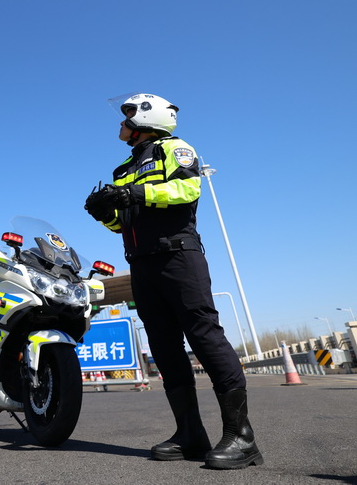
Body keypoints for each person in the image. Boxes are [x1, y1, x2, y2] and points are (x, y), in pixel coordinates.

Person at [84, 93, 262, 470]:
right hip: (141, 264)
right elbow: (124, 223)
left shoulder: (176, 149)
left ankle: (242, 438)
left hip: (179, 255)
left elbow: (186, 190)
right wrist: (104, 214)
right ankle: (190, 433)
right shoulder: (122, 168)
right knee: (164, 345)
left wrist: (134, 192)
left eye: (127, 115)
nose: (121, 122)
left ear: (146, 119)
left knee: (204, 334)